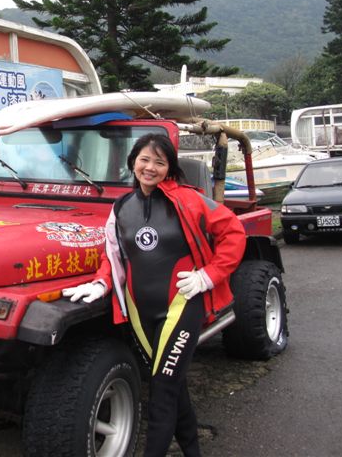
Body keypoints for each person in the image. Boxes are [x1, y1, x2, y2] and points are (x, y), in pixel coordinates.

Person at [62, 133, 246, 457]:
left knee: (162, 390)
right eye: (144, 160)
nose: (150, 168)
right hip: (140, 314)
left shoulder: (188, 200)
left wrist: (208, 276)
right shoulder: (121, 208)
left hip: (181, 306)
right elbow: (113, 256)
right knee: (174, 387)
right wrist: (102, 283)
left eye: (159, 162)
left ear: (169, 167)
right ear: (133, 162)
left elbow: (233, 232)